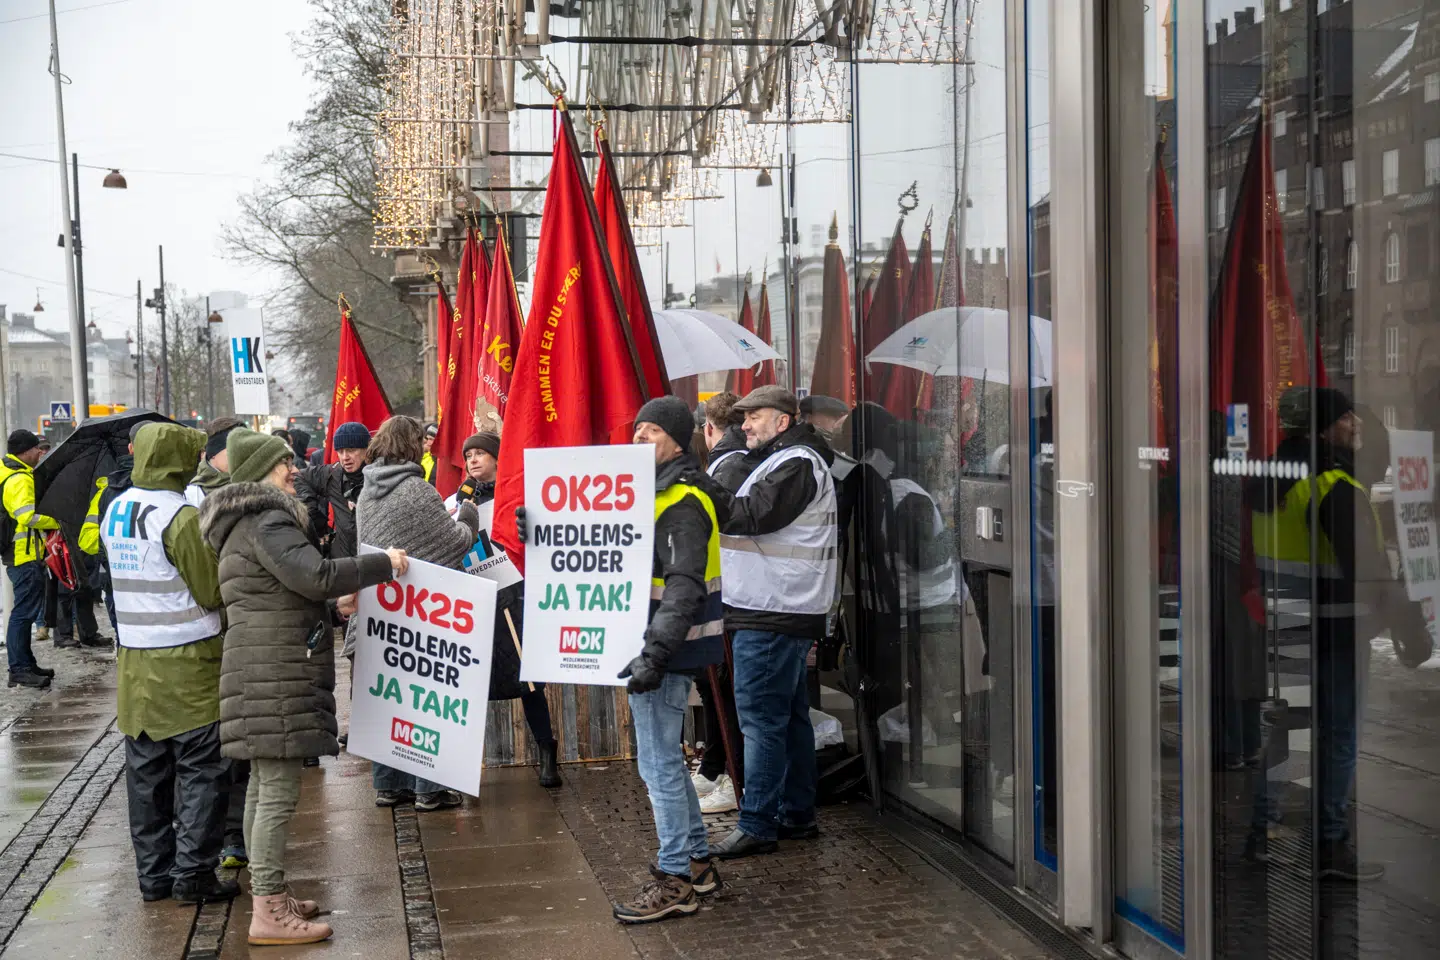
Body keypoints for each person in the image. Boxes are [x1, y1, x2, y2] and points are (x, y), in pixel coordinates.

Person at [519, 395, 725, 923]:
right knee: (665, 763)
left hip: (663, 652)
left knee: (658, 765)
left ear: (679, 441)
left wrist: (654, 655)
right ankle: (698, 864)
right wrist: (542, 529)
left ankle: (676, 875)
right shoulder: (646, 494)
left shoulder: (680, 501)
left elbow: (684, 588)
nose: (638, 440)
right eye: (636, 430)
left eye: (651, 433)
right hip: (653, 649)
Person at [200, 428, 405, 946]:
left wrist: (333, 607)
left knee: (265, 788)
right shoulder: (267, 518)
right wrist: (384, 564)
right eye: (282, 464)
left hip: (264, 666)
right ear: (259, 472)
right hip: (273, 670)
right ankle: (268, 913)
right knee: (276, 793)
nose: (293, 470)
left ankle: (269, 894)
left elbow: (286, 589)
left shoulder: (244, 522)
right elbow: (314, 574)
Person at [1248, 387, 1425, 881]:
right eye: (1347, 416)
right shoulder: (1332, 487)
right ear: (1325, 426)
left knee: (1281, 730)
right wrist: (1410, 626)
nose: (1356, 425)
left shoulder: (1273, 477)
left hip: (1281, 626)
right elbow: (1367, 572)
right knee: (1339, 736)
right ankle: (1329, 846)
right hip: (1335, 629)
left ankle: (1259, 831)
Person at [701, 385, 837, 859]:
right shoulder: (789, 459)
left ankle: (758, 822)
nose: (746, 426)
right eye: (743, 418)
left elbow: (748, 515)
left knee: (760, 719)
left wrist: (698, 484)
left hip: (773, 609)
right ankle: (797, 814)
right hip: (779, 607)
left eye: (755, 417)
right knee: (787, 716)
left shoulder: (795, 461)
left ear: (782, 420)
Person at [100, 422, 233, 904]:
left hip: (135, 665)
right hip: (189, 662)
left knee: (146, 775)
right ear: (179, 460)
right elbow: (211, 590)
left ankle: (153, 876)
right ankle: (194, 875)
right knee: (200, 771)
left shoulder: (117, 509)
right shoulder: (178, 517)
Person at [350, 416, 478, 810]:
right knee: (424, 700)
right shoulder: (417, 491)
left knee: (389, 702)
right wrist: (470, 514)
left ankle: (389, 786)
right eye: (422, 442)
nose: (427, 447)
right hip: (420, 615)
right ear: (411, 445)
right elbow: (453, 543)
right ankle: (429, 789)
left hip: (379, 611)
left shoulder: (367, 493)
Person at [447, 432, 563, 788]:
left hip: (517, 598)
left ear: (498, 458)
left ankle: (547, 753)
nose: (473, 461)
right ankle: (460, 764)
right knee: (470, 686)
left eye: (481, 453)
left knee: (529, 683)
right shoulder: (455, 502)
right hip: (476, 600)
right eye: (468, 456)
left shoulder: (518, 496)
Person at [691, 393, 751, 815]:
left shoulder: (727, 465)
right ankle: (717, 764)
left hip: (726, 592)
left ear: (710, 430)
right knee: (713, 685)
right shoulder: (728, 462)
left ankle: (733, 773)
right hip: (722, 590)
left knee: (725, 689)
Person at [2, 430, 60, 688]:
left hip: (19, 553)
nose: (40, 453)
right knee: (23, 614)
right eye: (37, 449)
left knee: (25, 612)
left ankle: (26, 663)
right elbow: (26, 516)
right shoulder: (19, 479)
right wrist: (55, 521)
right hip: (23, 554)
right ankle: (19, 669)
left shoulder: (9, 471)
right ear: (25, 452)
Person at [80, 421, 147, 635]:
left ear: (130, 448)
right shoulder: (172, 487)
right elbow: (88, 539)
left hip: (116, 580)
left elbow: (87, 541)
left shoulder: (107, 491)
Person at [295, 421, 370, 560]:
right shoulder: (332, 474)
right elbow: (299, 477)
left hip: (374, 564)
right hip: (342, 562)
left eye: (351, 450)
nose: (345, 457)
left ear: (366, 450)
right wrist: (312, 513)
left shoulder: (380, 478)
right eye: (340, 451)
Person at [185, 416, 243, 508]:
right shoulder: (190, 496)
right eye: (233, 450)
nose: (241, 456)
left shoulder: (259, 487)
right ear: (213, 453)